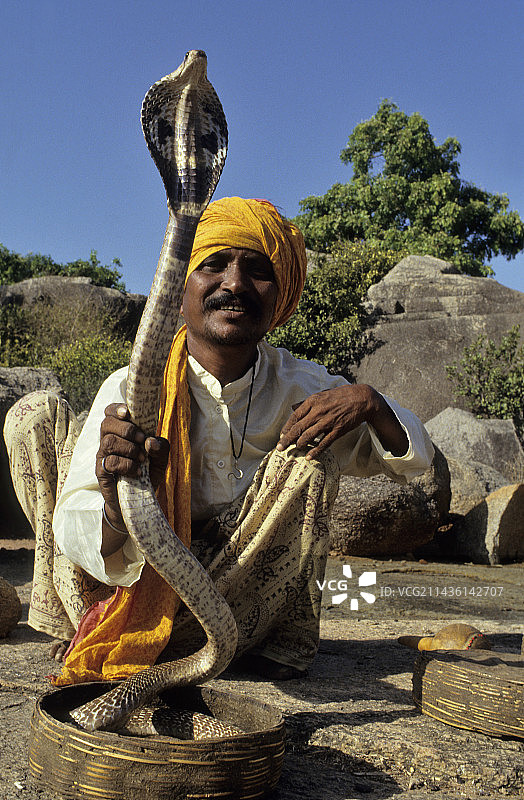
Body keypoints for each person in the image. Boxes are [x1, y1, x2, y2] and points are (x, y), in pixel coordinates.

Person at [4, 197, 434, 684]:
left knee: (309, 463)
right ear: (181, 288)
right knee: (33, 414)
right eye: (213, 265)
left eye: (257, 269)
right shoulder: (132, 386)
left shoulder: (305, 388)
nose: (234, 284)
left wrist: (371, 403)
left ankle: (274, 640)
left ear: (280, 297)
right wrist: (112, 502)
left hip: (230, 597)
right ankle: (95, 626)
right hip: (134, 584)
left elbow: (416, 462)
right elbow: (75, 532)